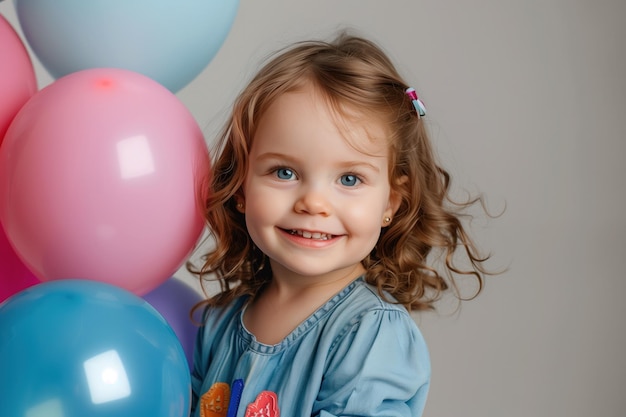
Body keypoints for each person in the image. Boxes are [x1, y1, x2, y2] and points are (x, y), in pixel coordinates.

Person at [189, 31, 492, 417]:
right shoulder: (220, 322)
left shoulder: (370, 334)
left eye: (349, 179)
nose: (313, 203)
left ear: (391, 203)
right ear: (241, 186)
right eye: (284, 171)